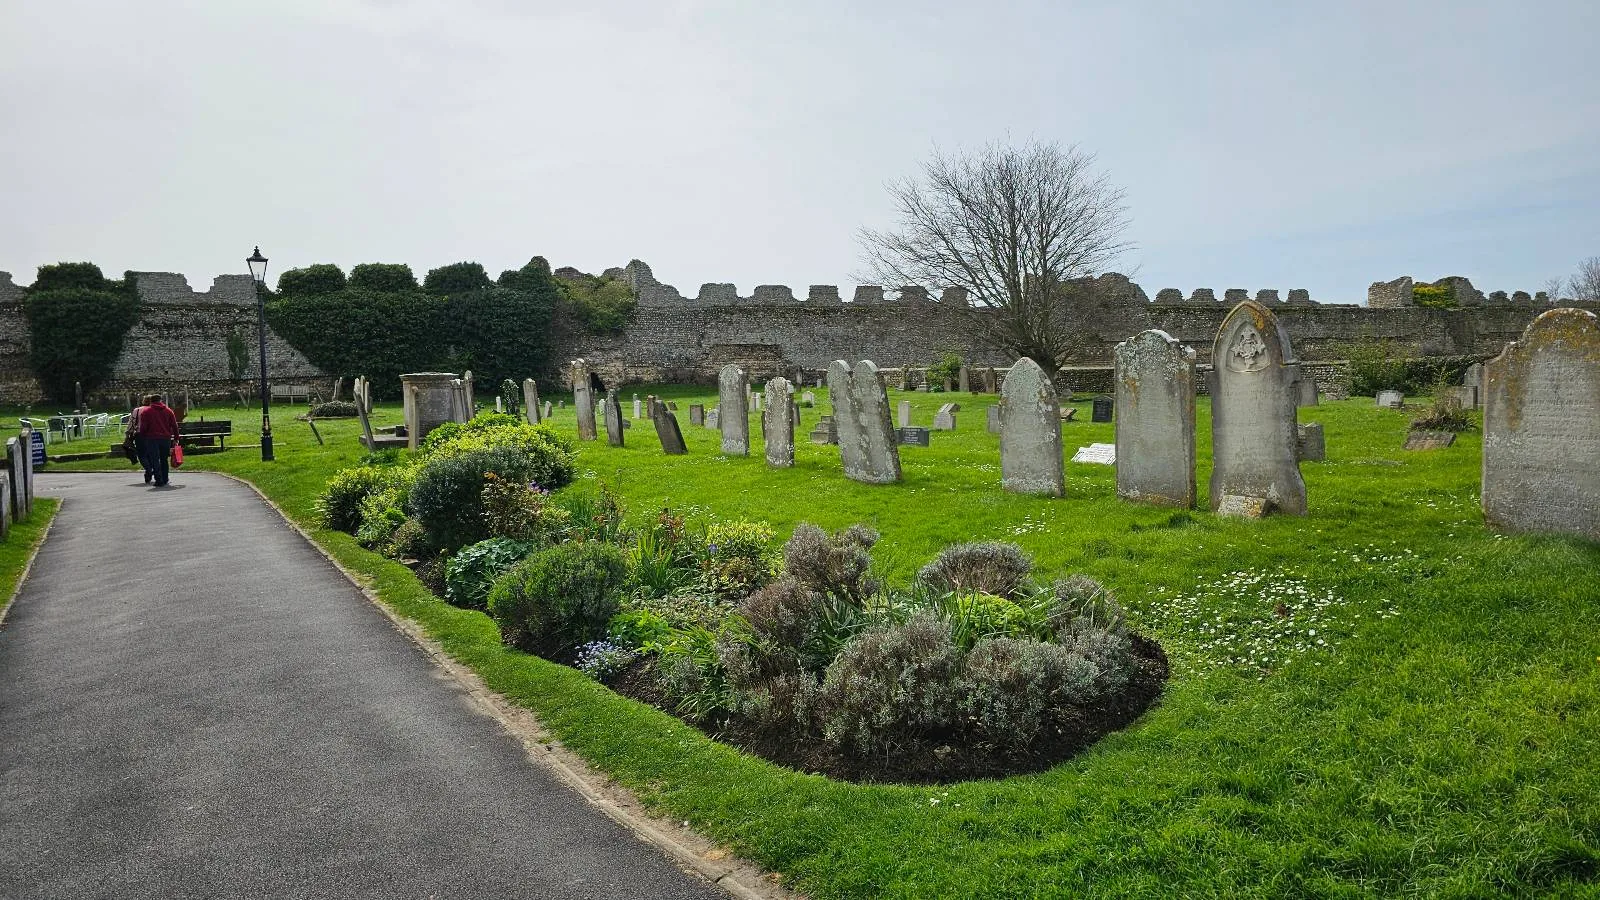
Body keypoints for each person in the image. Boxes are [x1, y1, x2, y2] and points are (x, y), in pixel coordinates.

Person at [136, 394, 181, 487]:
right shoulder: (169, 411)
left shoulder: (146, 411)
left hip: (151, 438)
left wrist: (143, 436)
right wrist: (176, 438)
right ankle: (165, 478)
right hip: (165, 438)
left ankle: (158, 479)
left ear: (151, 401)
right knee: (164, 459)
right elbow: (174, 425)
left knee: (155, 459)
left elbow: (143, 427)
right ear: (161, 400)